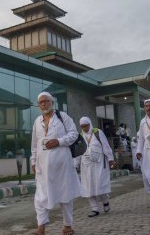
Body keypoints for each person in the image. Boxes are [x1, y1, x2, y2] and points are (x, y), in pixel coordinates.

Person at [30, 92, 81, 235]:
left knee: (65, 194)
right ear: (39, 105)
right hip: (42, 166)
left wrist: (58, 141)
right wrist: (33, 161)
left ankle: (67, 226)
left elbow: (74, 134)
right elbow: (34, 144)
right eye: (41, 102)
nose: (44, 104)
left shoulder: (62, 117)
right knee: (40, 197)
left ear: (52, 102)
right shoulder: (37, 121)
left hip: (62, 165)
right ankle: (41, 227)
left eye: (47, 101)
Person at [75, 117, 115, 218]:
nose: (84, 128)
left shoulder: (98, 132)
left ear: (90, 124)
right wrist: (75, 165)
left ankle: (105, 201)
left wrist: (110, 159)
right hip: (86, 166)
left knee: (100, 184)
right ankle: (94, 208)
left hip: (99, 164)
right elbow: (78, 152)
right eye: (82, 126)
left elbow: (105, 146)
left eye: (86, 125)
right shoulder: (80, 136)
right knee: (88, 187)